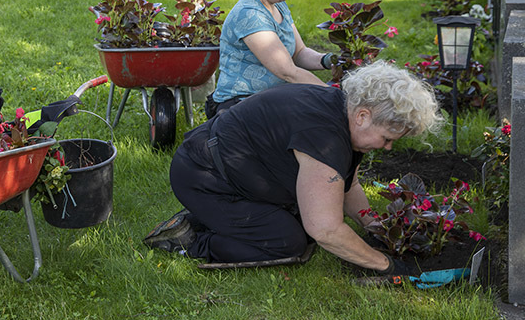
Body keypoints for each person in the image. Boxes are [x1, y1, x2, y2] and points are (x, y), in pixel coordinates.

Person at [143, 62, 442, 275]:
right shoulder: (325, 136)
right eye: (387, 138)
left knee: (304, 226)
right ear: (363, 115)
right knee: (287, 242)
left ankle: (208, 220)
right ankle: (191, 240)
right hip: (203, 177)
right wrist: (384, 265)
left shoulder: (342, 114)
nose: (387, 147)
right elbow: (324, 229)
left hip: (231, 170)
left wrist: (375, 229)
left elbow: (347, 186)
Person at [206, 0, 335, 119]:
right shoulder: (249, 14)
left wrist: (329, 60)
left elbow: (299, 52)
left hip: (270, 99)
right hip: (239, 106)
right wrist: (334, 97)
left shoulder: (279, 6)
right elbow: (288, 71)